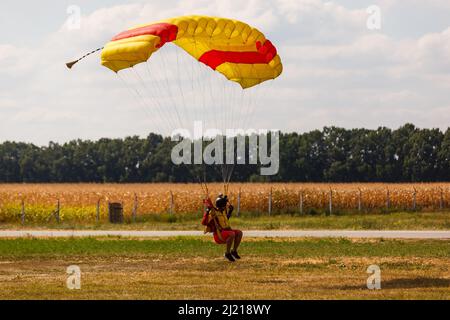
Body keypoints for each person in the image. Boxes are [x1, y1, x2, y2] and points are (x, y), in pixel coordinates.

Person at [202, 194, 243, 262]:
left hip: (226, 232)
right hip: (219, 235)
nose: (226, 207)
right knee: (232, 234)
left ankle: (234, 251)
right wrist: (207, 211)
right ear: (222, 206)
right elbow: (204, 222)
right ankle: (227, 253)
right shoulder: (214, 213)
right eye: (225, 205)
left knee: (239, 232)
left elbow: (225, 220)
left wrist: (230, 211)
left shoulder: (223, 211)